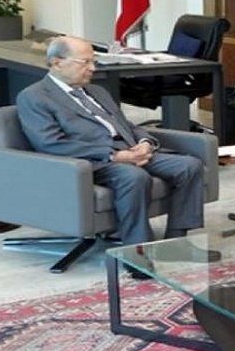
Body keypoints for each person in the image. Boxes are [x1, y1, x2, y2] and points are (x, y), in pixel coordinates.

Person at [16, 36, 211, 278]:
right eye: (85, 62)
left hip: (130, 149)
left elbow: (126, 125)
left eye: (94, 61)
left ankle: (176, 243)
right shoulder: (34, 97)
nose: (93, 68)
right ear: (57, 63)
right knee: (133, 177)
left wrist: (145, 143)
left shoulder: (97, 90)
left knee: (189, 166)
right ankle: (137, 255)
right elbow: (51, 143)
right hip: (92, 161)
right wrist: (115, 155)